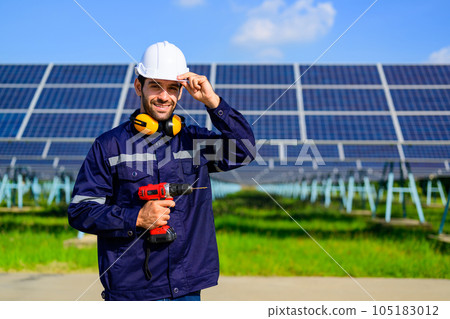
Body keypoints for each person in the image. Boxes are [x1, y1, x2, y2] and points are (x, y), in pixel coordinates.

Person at [67, 41, 255, 301]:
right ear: (138, 87)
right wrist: (136, 218)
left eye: (172, 88)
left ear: (180, 93)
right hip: (132, 291)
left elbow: (244, 151)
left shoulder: (194, 142)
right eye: (155, 85)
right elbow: (81, 211)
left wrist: (213, 102)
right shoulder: (110, 146)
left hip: (187, 290)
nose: (164, 96)